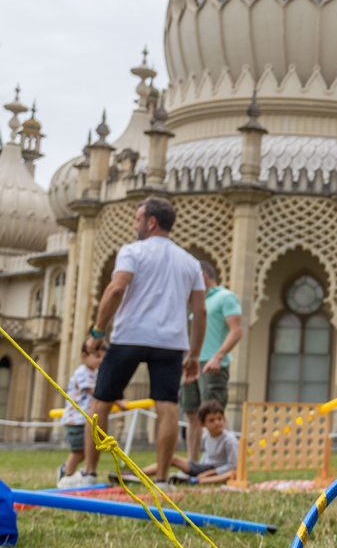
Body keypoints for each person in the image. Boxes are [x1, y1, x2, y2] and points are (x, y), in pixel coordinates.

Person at [60, 196, 206, 491]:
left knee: (100, 402)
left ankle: (88, 472)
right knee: (167, 407)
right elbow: (200, 311)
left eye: (137, 219)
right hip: (170, 342)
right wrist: (194, 355)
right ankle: (162, 480)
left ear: (151, 222)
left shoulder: (132, 252)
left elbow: (116, 289)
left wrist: (98, 333)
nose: (134, 225)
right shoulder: (190, 262)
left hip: (129, 337)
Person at [180, 260, 241, 462]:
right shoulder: (197, 301)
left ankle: (231, 463)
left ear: (202, 276)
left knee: (216, 416)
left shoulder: (226, 297)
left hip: (212, 366)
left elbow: (237, 330)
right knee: (192, 415)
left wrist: (218, 356)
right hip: (192, 365)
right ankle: (193, 462)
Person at [127, 401, 238, 485]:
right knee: (172, 458)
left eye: (219, 419)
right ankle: (136, 474)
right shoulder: (205, 436)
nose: (217, 423)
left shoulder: (229, 439)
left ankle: (195, 481)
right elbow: (205, 457)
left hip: (219, 472)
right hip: (204, 468)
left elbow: (232, 466)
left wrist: (209, 473)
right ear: (202, 424)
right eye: (212, 420)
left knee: (233, 475)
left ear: (224, 419)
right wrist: (200, 470)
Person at [58, 341, 119, 483]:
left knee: (86, 452)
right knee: (79, 452)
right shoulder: (82, 373)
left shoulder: (95, 373)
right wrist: (118, 401)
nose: (101, 360)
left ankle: (67, 472)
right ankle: (66, 476)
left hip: (85, 420)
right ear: (84, 356)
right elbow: (97, 393)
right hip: (76, 420)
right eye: (97, 356)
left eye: (103, 357)